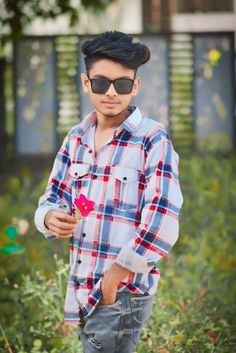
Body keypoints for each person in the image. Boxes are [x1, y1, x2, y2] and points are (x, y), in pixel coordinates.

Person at [34, 31, 184, 353]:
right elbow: (51, 197)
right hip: (81, 288)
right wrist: (49, 218)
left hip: (122, 290)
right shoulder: (77, 138)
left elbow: (163, 220)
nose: (112, 93)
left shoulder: (152, 139)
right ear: (86, 83)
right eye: (101, 83)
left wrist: (114, 279)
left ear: (136, 86)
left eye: (123, 84)